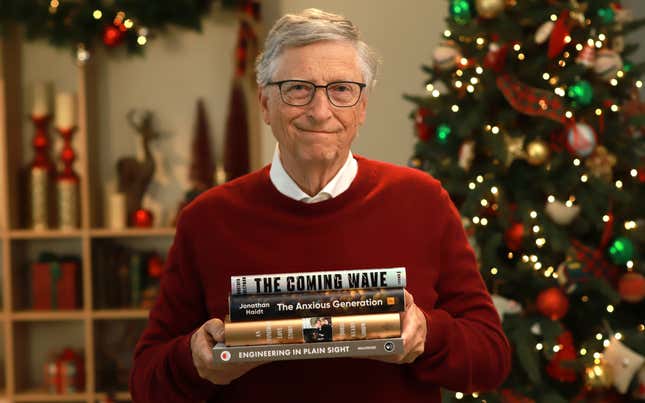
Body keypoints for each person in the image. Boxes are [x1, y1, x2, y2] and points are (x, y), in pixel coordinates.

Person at [130, 8, 511, 403]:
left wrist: (428, 334)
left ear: (362, 106)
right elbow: (146, 382)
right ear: (264, 103)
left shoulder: (423, 201)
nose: (320, 110)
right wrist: (193, 359)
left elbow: (491, 358)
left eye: (341, 89)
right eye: (298, 88)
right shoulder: (207, 220)